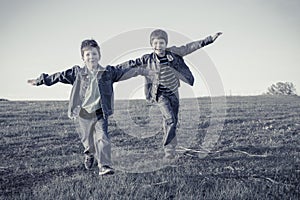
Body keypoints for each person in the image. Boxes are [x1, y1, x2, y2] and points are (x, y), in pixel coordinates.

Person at [28, 39, 144, 175]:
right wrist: (41, 80)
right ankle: (89, 154)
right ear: (83, 58)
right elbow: (59, 76)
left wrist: (142, 63)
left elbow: (125, 67)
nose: (91, 57)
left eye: (94, 54)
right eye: (88, 55)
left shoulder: (108, 72)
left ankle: (104, 166)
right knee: (88, 141)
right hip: (83, 113)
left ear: (99, 55)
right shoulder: (77, 73)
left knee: (102, 138)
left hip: (100, 112)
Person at [128, 29, 222, 159]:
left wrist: (209, 39)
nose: (158, 46)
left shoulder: (173, 53)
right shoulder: (147, 59)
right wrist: (113, 71)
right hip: (160, 94)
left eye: (161, 43)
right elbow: (131, 64)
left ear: (166, 44)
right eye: (155, 43)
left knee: (172, 121)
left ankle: (170, 148)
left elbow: (189, 47)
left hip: (174, 92)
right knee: (170, 120)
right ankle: (168, 150)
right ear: (151, 44)